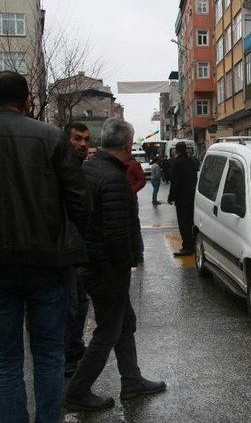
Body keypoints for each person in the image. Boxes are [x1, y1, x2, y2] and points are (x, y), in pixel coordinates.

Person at [0, 71, 91, 422]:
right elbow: (79, 201)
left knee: (6, 359)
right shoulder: (52, 137)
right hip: (48, 263)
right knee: (49, 354)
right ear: (26, 101)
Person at [64, 118, 166, 412]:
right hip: (106, 269)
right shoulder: (112, 179)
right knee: (108, 330)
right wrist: (127, 265)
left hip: (93, 263)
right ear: (127, 144)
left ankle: (132, 381)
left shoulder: (91, 169)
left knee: (125, 324)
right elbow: (116, 234)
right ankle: (76, 393)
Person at [62, 122, 92, 379]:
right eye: (77, 139)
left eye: (86, 140)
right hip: (65, 249)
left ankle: (74, 347)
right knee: (71, 303)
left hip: (79, 248)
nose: (83, 144)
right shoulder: (61, 169)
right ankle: (68, 352)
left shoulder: (80, 168)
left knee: (80, 302)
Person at [169, 141, 199, 256]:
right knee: (191, 222)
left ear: (176, 150)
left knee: (183, 223)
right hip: (192, 197)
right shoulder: (192, 161)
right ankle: (192, 245)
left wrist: (171, 197)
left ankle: (187, 247)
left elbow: (175, 182)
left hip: (182, 199)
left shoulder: (178, 163)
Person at [126, 153, 146, 263]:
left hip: (130, 199)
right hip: (117, 197)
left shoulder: (133, 163)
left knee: (134, 226)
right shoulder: (116, 163)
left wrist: (131, 191)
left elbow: (142, 180)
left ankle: (138, 253)